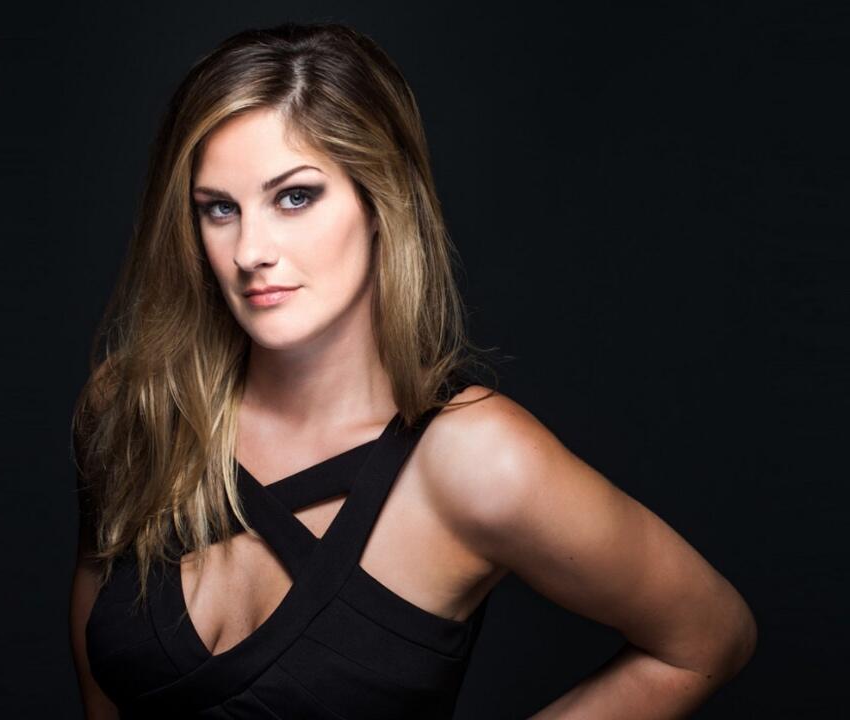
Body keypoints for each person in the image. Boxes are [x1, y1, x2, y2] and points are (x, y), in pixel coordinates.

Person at [68, 22, 755, 719]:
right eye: (219, 208)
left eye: (295, 197)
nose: (250, 251)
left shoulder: (477, 459)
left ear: (379, 199)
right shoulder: (137, 407)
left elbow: (708, 638)